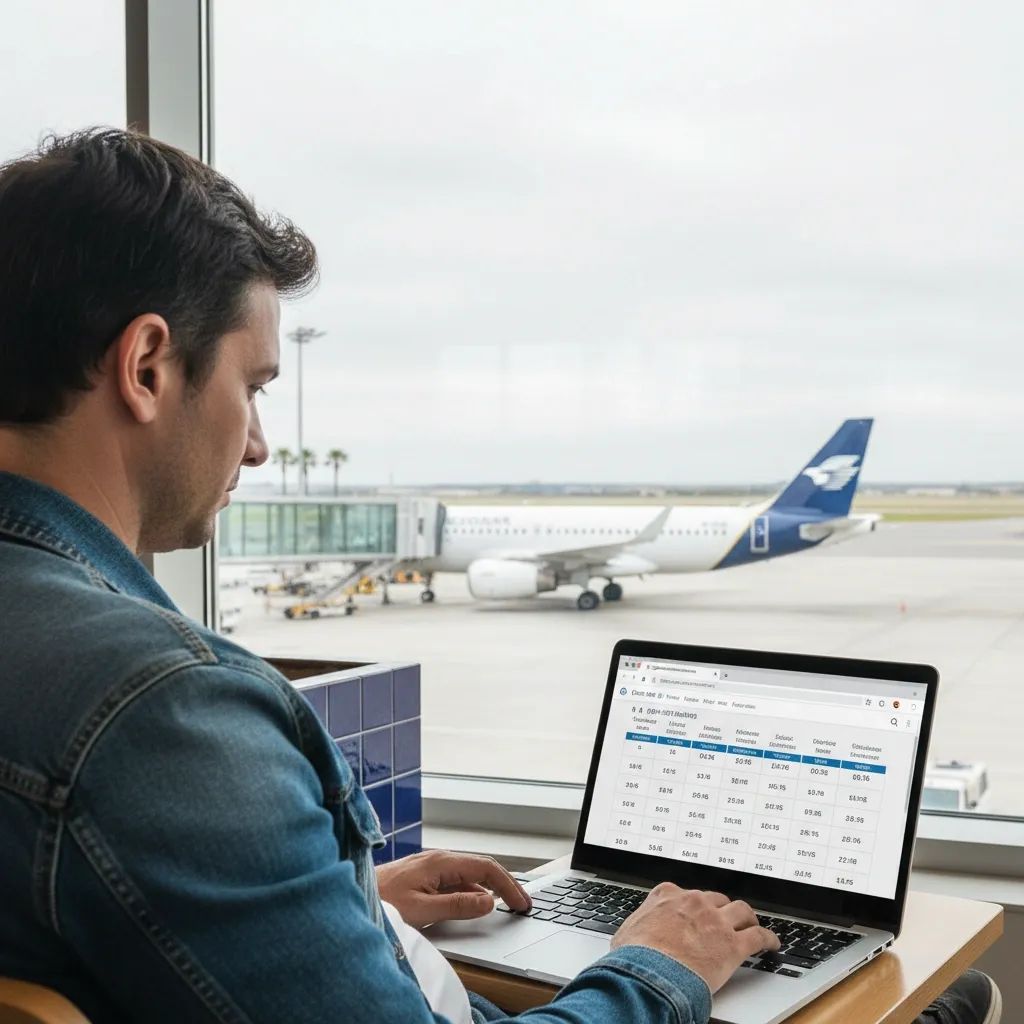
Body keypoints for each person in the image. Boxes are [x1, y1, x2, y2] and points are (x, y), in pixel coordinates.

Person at [0, 129, 999, 1024]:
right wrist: (656, 965)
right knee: (941, 994)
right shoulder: (166, 716)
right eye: (253, 386)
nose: (259, 445)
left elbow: (108, 920)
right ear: (145, 366)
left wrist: (339, 904)